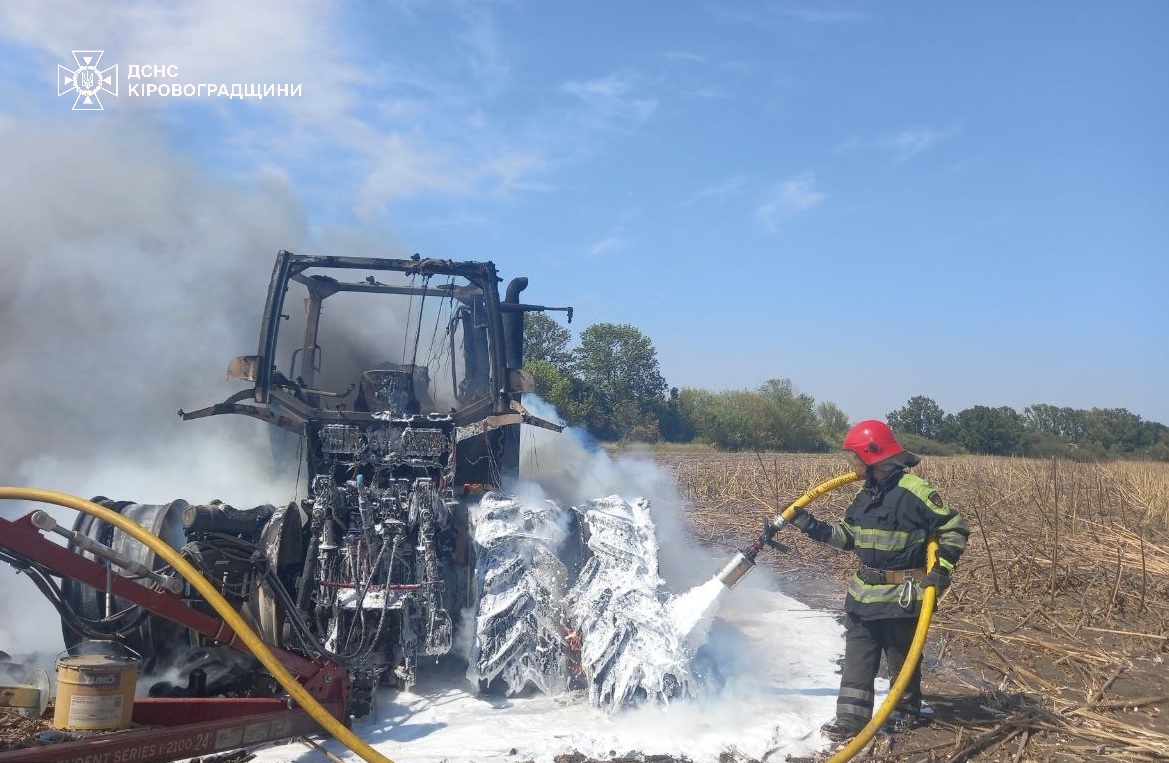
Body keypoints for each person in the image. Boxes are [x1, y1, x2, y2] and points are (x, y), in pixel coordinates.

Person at [780, 420, 968, 739]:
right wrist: (809, 525)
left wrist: (941, 569)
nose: (852, 466)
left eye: (855, 458)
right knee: (858, 657)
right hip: (863, 595)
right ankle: (850, 719)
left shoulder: (915, 492)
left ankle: (905, 712)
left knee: (901, 658)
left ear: (873, 456)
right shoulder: (865, 494)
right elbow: (848, 536)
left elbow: (954, 527)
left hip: (902, 595)